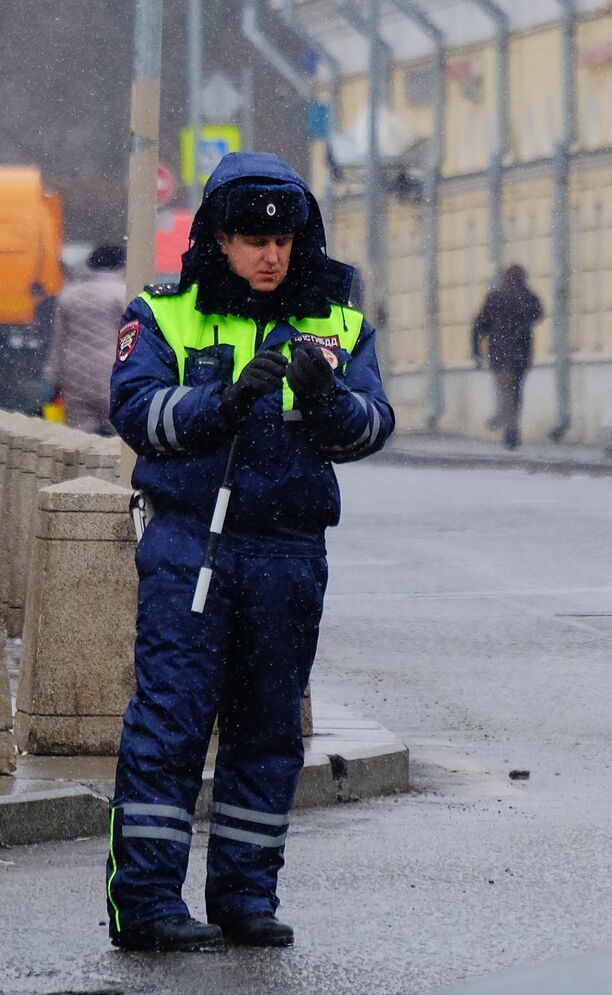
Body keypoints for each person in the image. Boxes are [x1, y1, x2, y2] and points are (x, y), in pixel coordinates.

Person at [105, 152, 394, 952]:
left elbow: (374, 428)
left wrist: (329, 399)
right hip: (191, 546)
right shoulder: (165, 313)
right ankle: (148, 903)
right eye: (250, 239)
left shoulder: (337, 322)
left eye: (284, 239)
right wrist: (221, 402)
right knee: (169, 725)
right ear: (217, 238)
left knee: (269, 733)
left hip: (290, 552)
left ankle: (244, 897)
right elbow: (134, 409)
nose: (270, 254)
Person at [45, 243, 127, 434]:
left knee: (80, 434)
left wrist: (55, 376)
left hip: (75, 374)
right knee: (119, 436)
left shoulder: (70, 295)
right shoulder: (123, 294)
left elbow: (59, 341)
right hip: (113, 374)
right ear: (120, 265)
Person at [471, 264, 543, 449]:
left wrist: (476, 352)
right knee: (516, 392)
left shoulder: (495, 297)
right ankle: (510, 425)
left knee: (505, 391)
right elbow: (538, 315)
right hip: (521, 354)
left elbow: (480, 325)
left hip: (500, 354)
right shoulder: (527, 296)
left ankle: (509, 427)